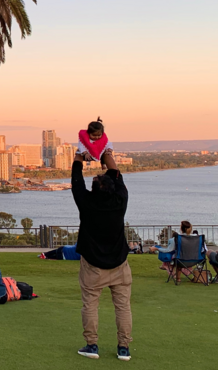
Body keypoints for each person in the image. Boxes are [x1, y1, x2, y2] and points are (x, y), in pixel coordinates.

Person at [72, 150, 132, 361]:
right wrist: (105, 153)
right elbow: (115, 171)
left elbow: (76, 181)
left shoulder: (86, 202)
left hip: (92, 265)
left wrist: (79, 155)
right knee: (123, 307)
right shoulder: (120, 200)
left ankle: (92, 346)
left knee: (90, 305)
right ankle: (123, 348)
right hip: (119, 264)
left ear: (94, 189)